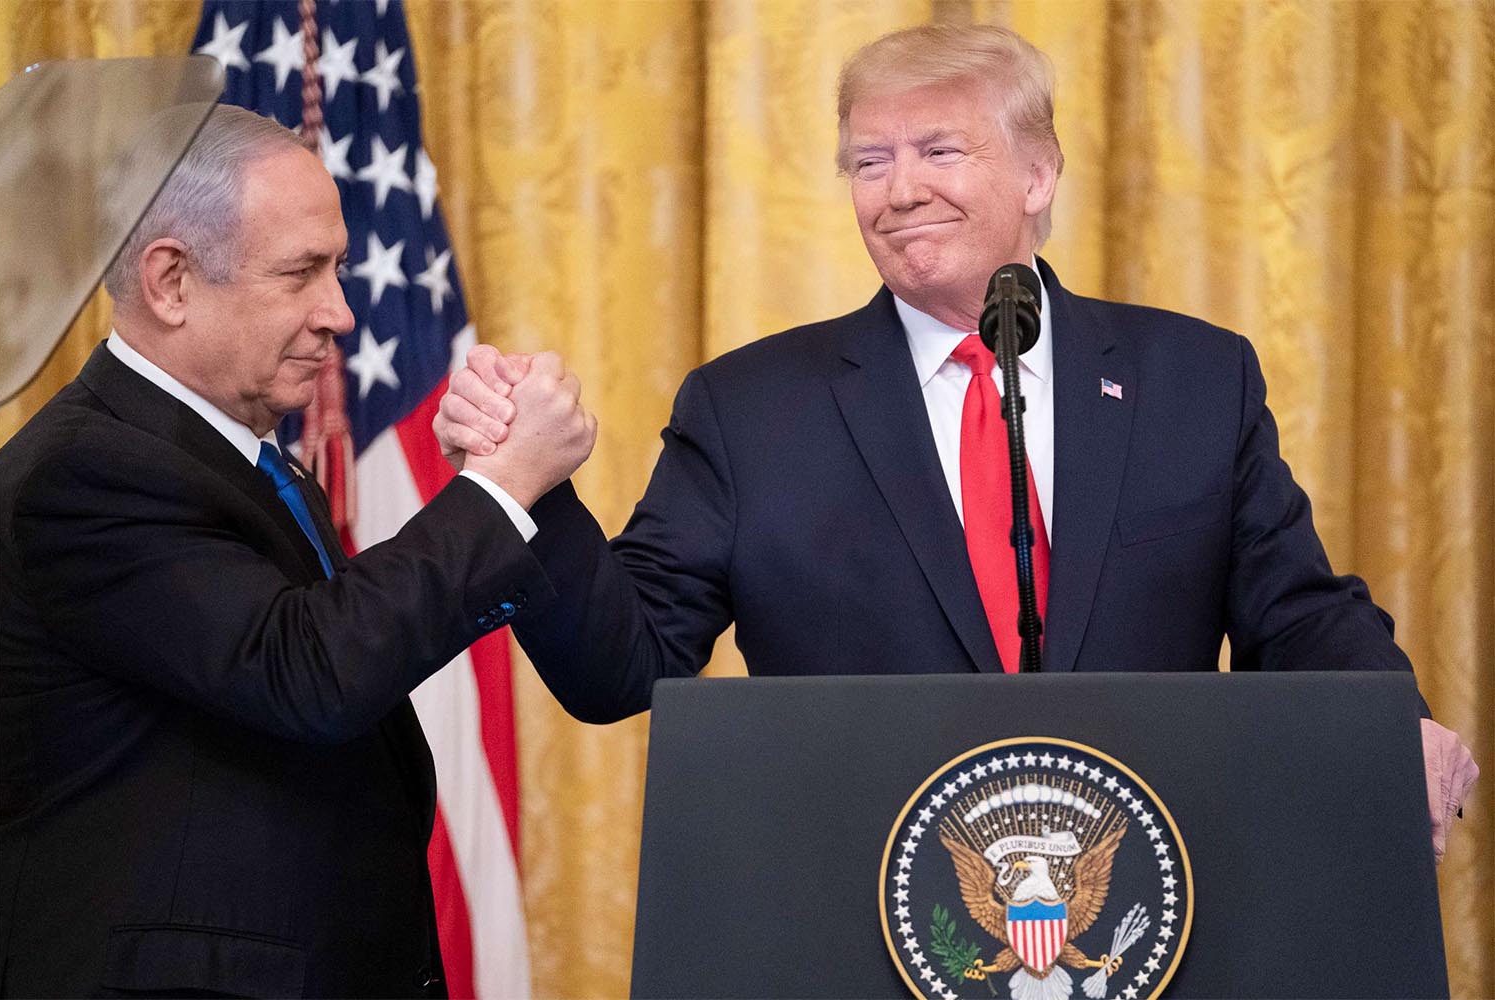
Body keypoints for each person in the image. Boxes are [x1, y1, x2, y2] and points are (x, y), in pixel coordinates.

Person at [435, 28, 1475, 850]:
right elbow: (624, 666)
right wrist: (534, 490)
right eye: (869, 160)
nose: (897, 189)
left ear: (1038, 174)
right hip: (852, 910)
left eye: (940, 150)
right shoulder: (750, 409)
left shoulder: (1192, 379)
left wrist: (1394, 725)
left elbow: (1294, 612)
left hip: (1146, 901)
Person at [0, 105, 595, 997]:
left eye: (340, 268)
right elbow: (311, 670)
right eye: (301, 273)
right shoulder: (88, 470)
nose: (341, 314)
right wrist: (500, 488)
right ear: (169, 282)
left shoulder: (240, 453)